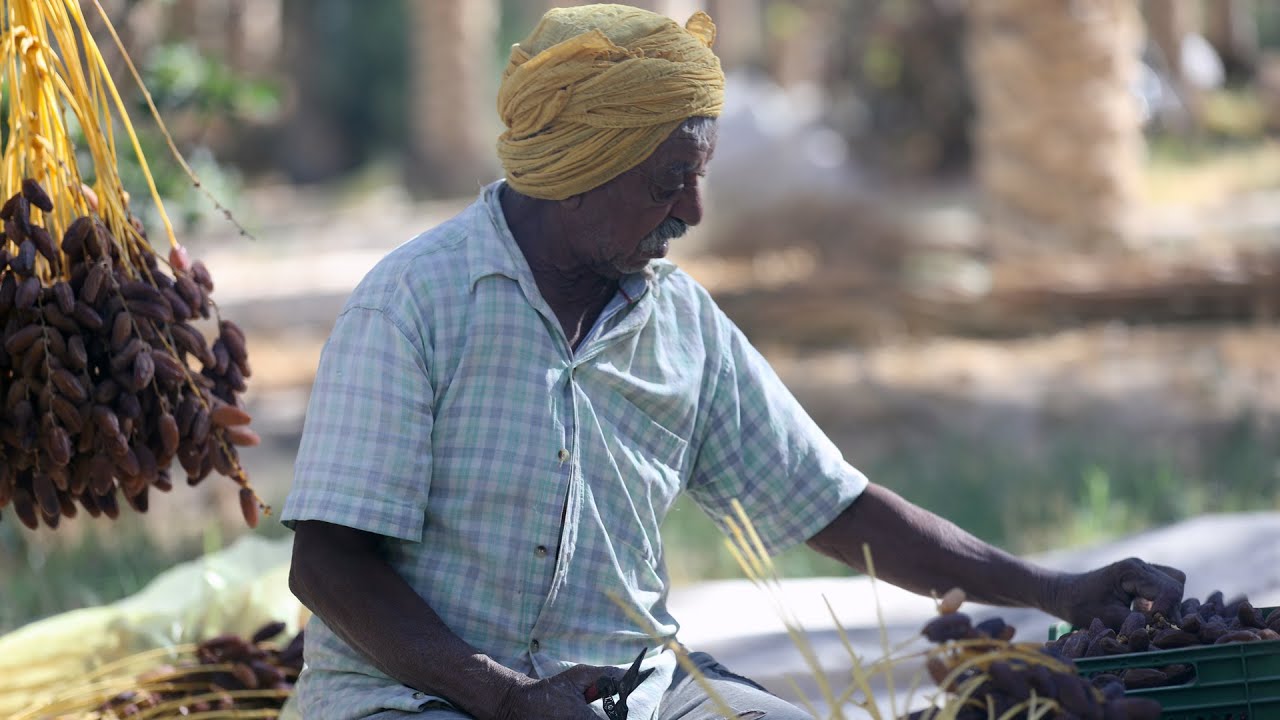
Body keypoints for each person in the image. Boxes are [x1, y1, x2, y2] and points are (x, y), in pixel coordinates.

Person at [280, 5, 1185, 719]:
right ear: (578, 173)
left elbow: (833, 505)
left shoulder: (680, 321)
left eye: (701, 174)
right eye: (668, 182)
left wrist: (1057, 589)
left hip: (634, 699)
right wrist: (503, 699)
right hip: (412, 700)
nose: (697, 212)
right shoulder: (413, 304)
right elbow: (326, 566)